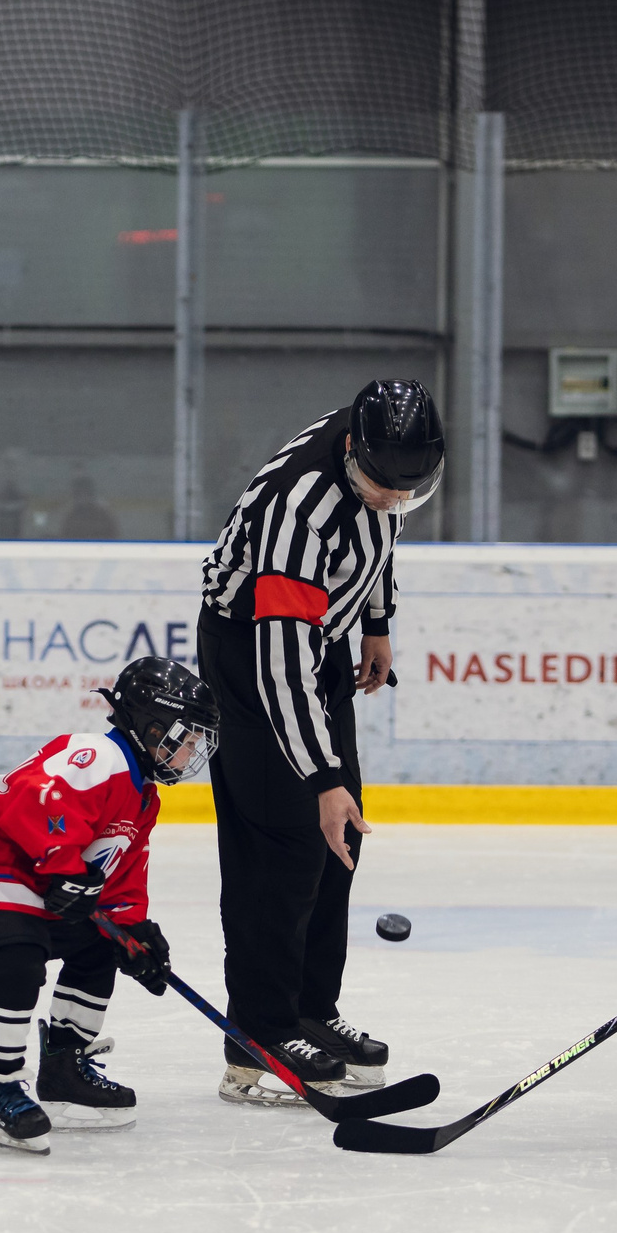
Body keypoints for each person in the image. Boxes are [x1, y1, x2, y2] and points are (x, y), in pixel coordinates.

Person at [195, 379, 440, 1104]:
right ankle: (259, 1036)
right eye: (380, 487)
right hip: (253, 652)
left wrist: (376, 621)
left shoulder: (388, 454)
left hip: (323, 636)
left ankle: (310, 1011)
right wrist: (321, 777)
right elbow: (279, 666)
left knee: (340, 840)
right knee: (287, 842)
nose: (392, 501)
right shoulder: (299, 511)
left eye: (407, 491)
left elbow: (379, 535)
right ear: (350, 452)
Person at [0, 658, 211, 1151]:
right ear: (154, 728)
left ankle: (65, 1068)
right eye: (188, 738)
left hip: (47, 879)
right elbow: (34, 798)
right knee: (19, 962)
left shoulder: (144, 797)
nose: (191, 752)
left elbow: (123, 872)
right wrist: (63, 868)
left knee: (101, 949)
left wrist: (134, 931)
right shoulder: (96, 755)